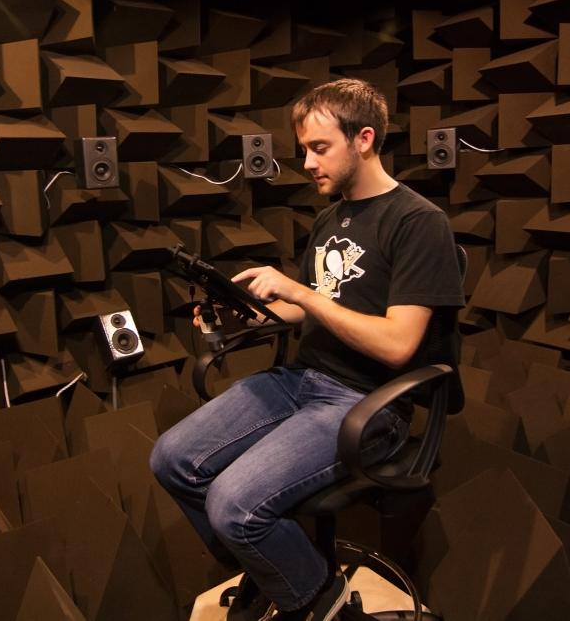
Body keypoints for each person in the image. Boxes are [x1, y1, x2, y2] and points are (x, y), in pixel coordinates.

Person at [149, 78, 465, 621]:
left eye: (320, 148)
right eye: (304, 151)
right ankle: (277, 572)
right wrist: (244, 313)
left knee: (233, 504)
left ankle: (323, 604)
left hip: (368, 403)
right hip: (300, 382)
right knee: (173, 460)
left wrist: (297, 290)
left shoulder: (419, 223)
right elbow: (313, 306)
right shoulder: (330, 216)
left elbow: (397, 345)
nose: (308, 163)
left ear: (363, 139)